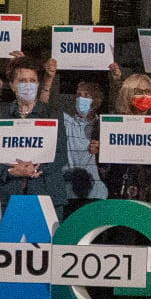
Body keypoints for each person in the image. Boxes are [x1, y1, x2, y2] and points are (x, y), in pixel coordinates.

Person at [0, 58, 68, 213]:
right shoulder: (0, 115)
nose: (28, 85)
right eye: (22, 80)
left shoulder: (51, 114)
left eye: (32, 80)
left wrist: (36, 168)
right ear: (12, 85)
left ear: (38, 84)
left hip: (47, 193)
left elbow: (61, 154)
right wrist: (11, 171)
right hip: (9, 195)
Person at [92, 72, 151, 203]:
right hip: (121, 192)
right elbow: (106, 170)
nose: (145, 96)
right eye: (138, 91)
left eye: (148, 91)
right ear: (127, 95)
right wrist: (99, 153)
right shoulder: (112, 125)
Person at [62, 77, 109, 206]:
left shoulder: (104, 126)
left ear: (96, 101)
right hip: (69, 193)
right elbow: (46, 109)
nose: (81, 99)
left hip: (95, 194)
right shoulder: (67, 122)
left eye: (86, 96)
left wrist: (103, 149)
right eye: (79, 95)